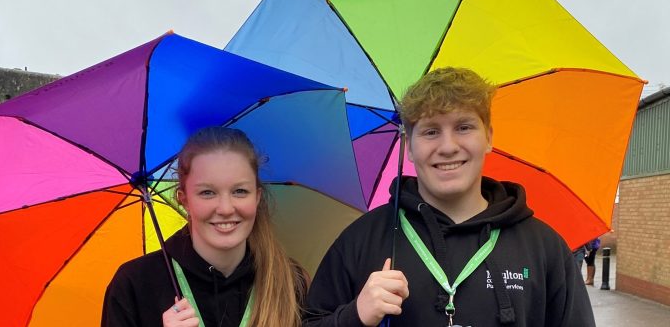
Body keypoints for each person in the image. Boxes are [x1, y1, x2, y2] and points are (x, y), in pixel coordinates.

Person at [303, 67, 595, 326]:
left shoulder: (544, 248)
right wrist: (354, 316)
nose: (448, 146)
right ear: (409, 146)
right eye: (430, 131)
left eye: (464, 127)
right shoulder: (361, 241)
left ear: (489, 137)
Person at [102, 126, 305, 327]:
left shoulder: (290, 281)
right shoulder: (134, 284)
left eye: (240, 191)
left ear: (257, 197)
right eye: (207, 192)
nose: (225, 208)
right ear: (184, 200)